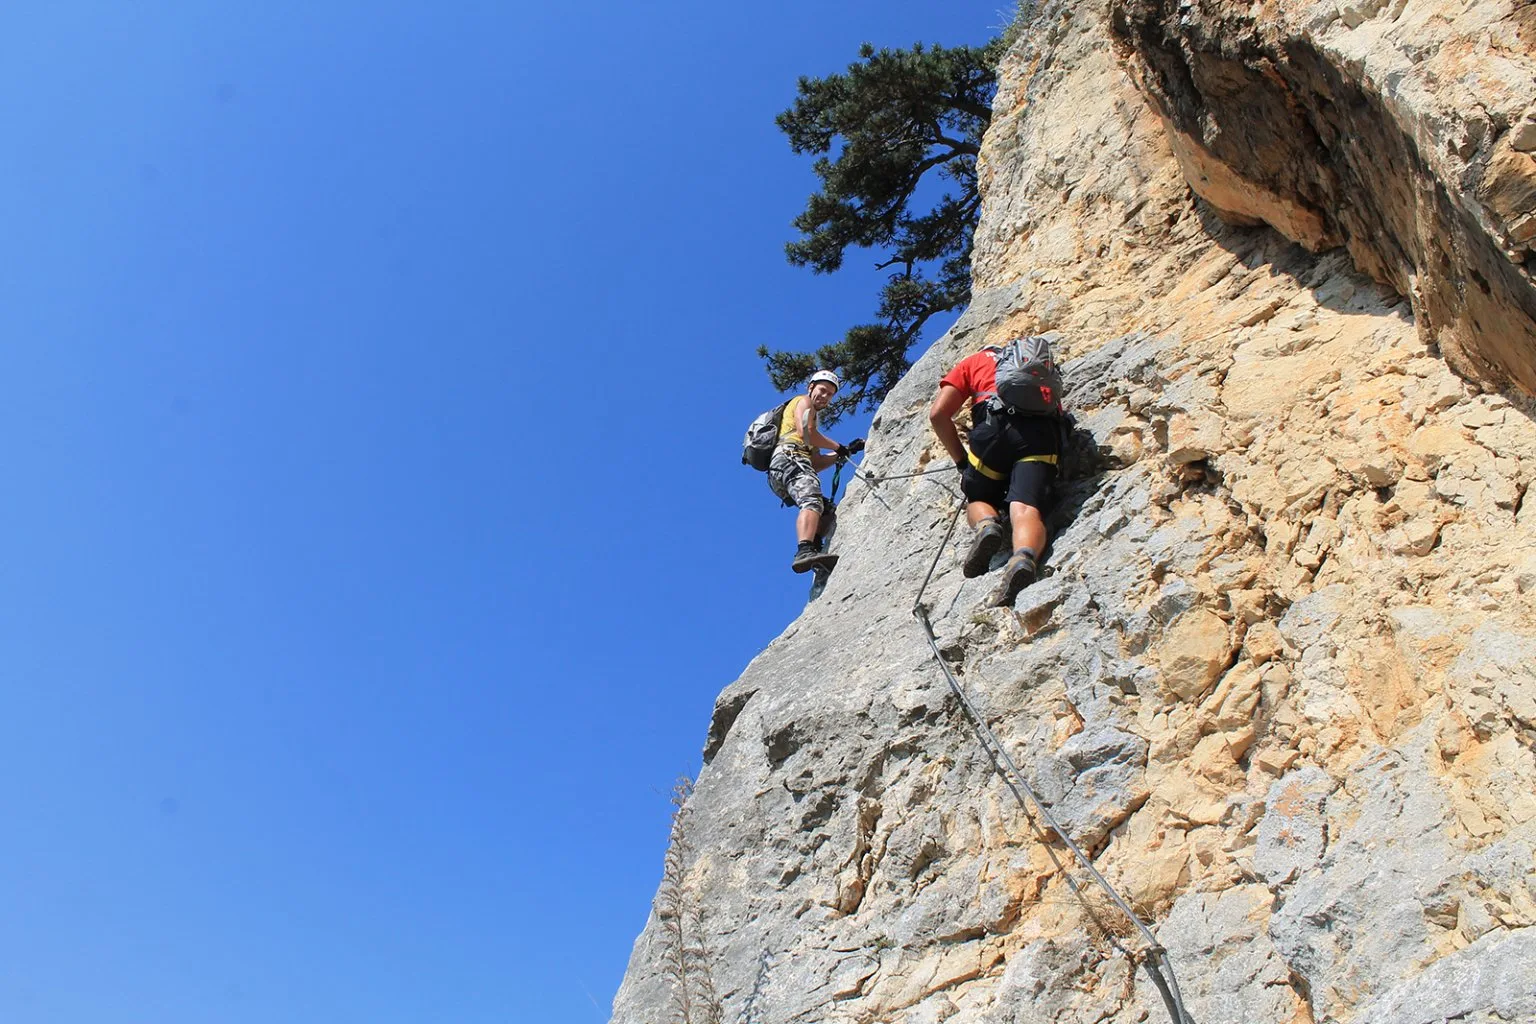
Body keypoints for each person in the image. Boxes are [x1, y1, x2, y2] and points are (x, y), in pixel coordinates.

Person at [928, 345, 1060, 606]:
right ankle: (1023, 558)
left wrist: (962, 462)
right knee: (1026, 507)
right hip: (1041, 436)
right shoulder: (1039, 368)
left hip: (994, 433)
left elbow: (938, 414)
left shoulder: (974, 361)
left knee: (977, 495)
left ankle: (988, 525)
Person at [768, 370, 864, 573]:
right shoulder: (803, 402)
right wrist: (838, 447)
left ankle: (816, 550)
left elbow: (816, 462)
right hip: (789, 457)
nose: (825, 396)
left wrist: (844, 452)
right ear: (811, 387)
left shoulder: (811, 418)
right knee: (811, 500)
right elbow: (807, 433)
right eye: (822, 390)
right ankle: (804, 551)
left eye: (830, 394)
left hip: (785, 466)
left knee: (825, 509)